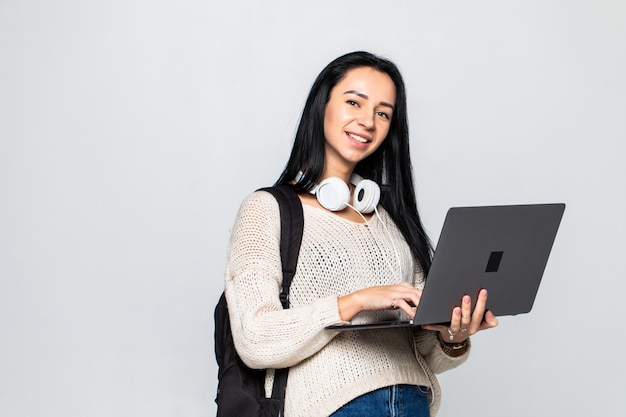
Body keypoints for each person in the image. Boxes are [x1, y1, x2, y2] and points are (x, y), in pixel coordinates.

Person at [223, 51, 498, 417]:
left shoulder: (389, 217)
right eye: (354, 102)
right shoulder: (267, 209)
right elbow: (255, 339)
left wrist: (454, 334)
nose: (368, 121)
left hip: (413, 403)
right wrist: (354, 302)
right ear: (322, 106)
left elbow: (426, 353)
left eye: (383, 113)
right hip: (332, 407)